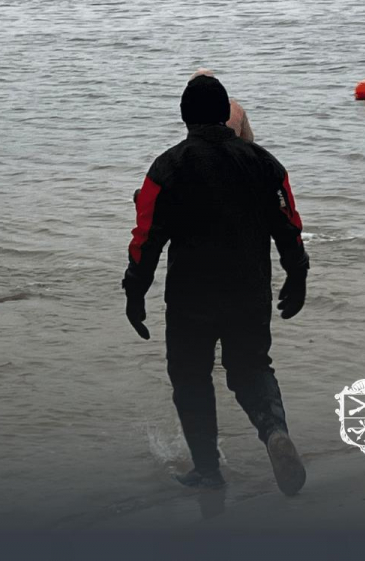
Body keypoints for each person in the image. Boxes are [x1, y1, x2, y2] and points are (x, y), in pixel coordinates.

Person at [121, 71, 310, 495]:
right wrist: (297, 273)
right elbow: (289, 225)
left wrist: (135, 292)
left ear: (184, 116)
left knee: (190, 377)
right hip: (249, 289)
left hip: (192, 298)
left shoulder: (167, 168)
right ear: (227, 114)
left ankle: (208, 471)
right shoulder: (264, 163)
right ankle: (274, 431)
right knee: (251, 368)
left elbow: (145, 238)